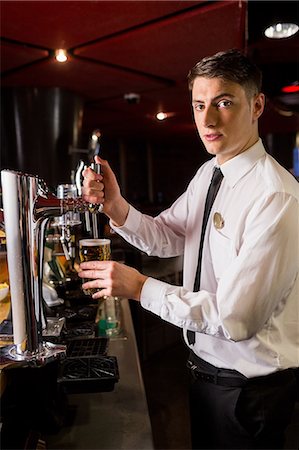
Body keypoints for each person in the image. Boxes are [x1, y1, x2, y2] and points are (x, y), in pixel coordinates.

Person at [79, 49, 299, 449]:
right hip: (203, 373)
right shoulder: (210, 172)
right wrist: (116, 205)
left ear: (257, 105)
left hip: (249, 393)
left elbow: (237, 319)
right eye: (199, 105)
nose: (207, 120)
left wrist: (140, 288)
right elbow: (167, 234)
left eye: (224, 102)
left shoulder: (276, 196)